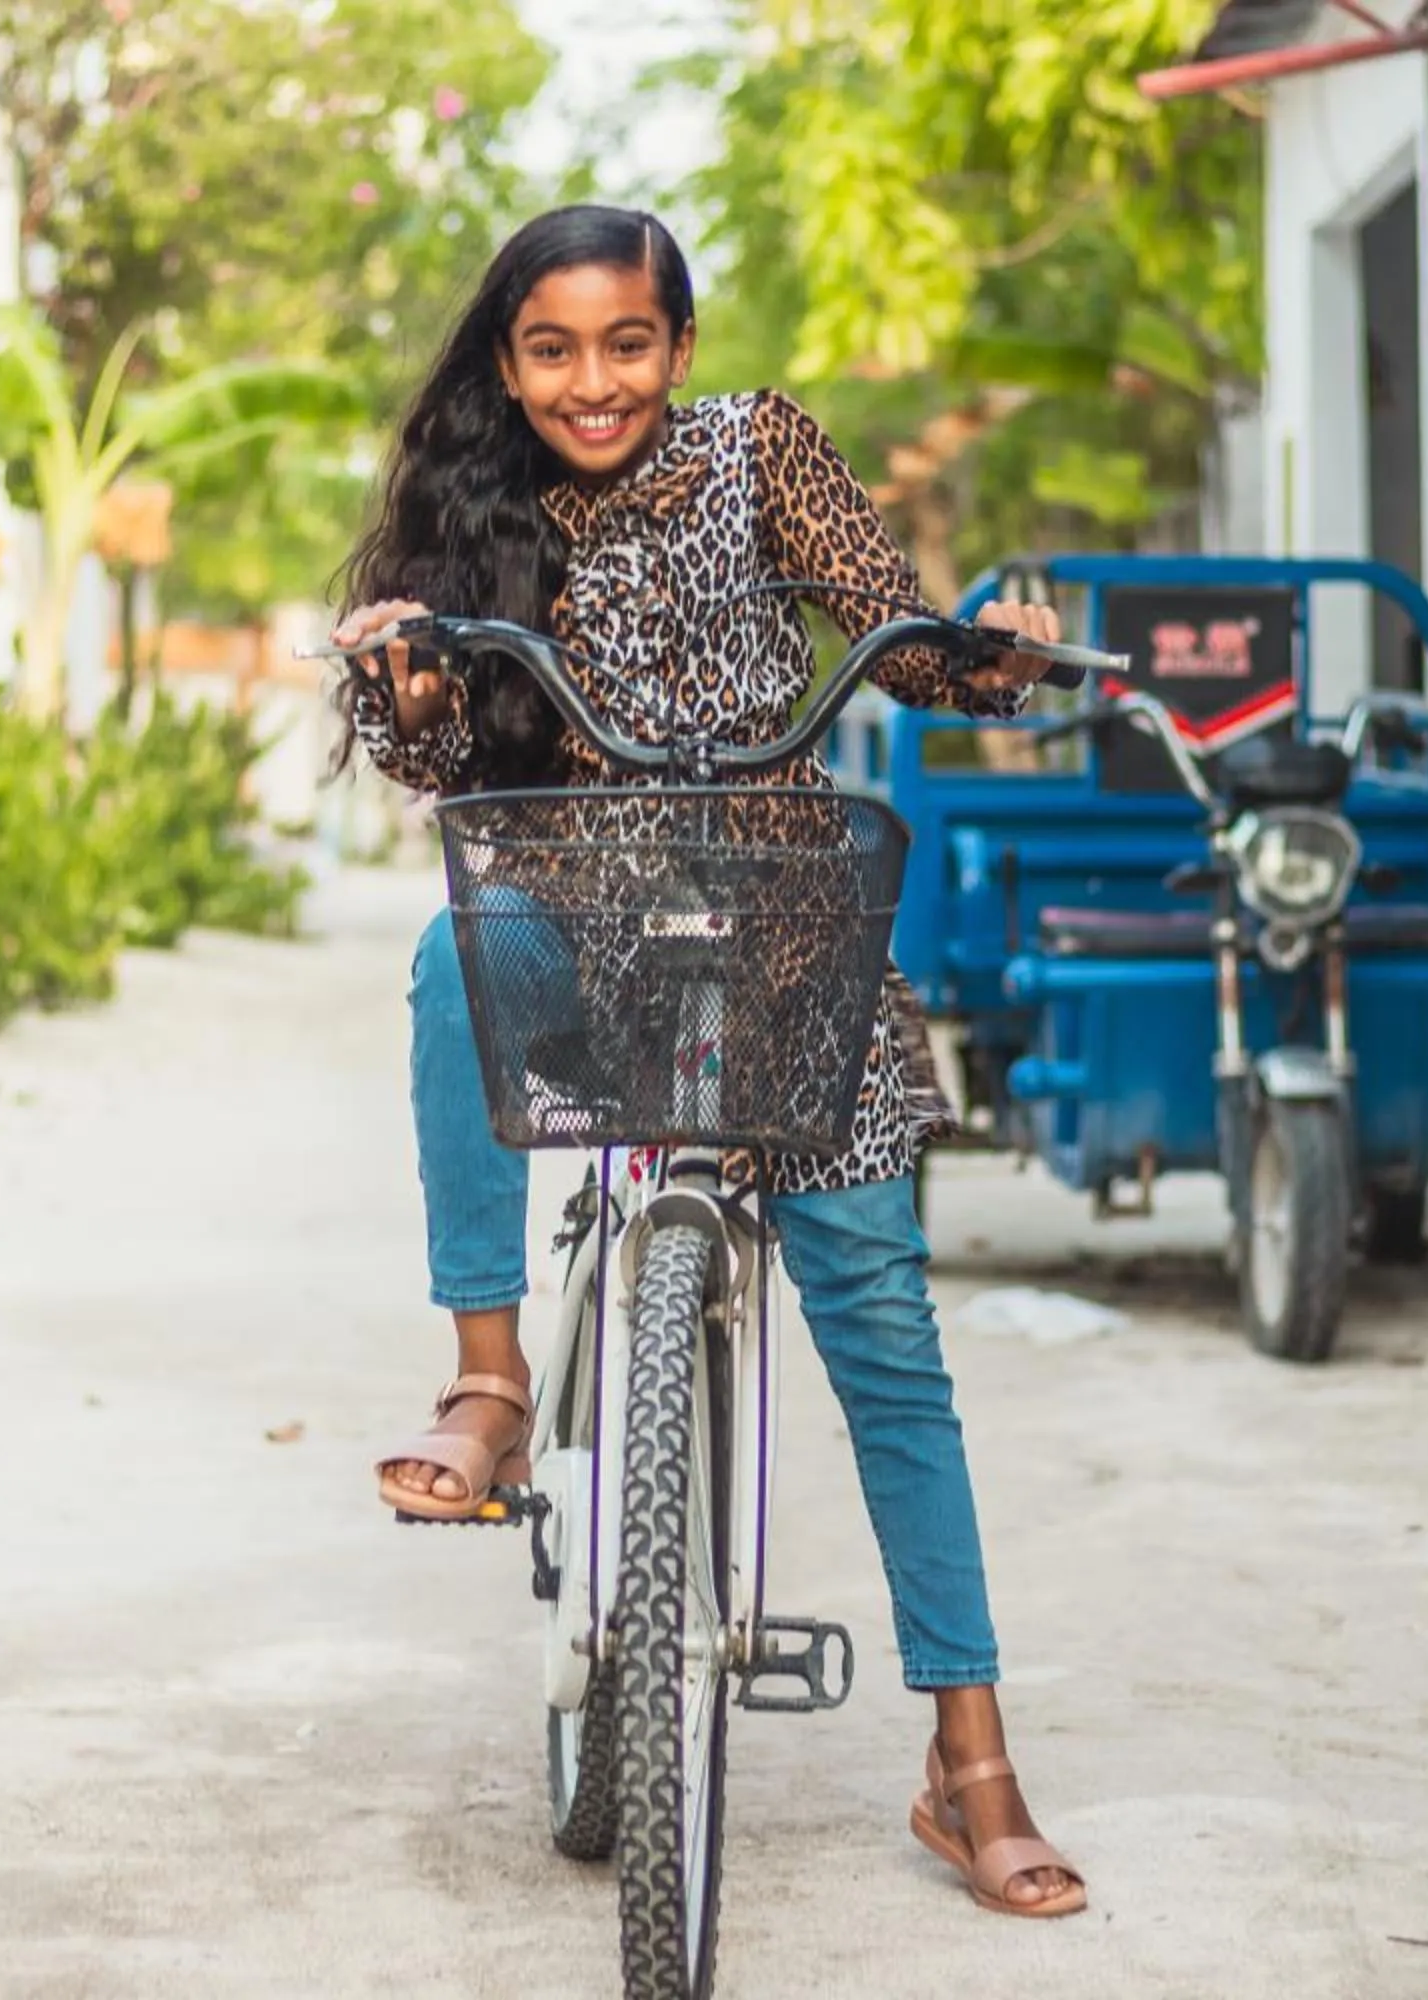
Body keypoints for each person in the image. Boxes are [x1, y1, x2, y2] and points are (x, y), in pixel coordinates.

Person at [330, 204, 1084, 1919]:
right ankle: (493, 1383)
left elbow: (903, 634)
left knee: (888, 1336)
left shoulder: (762, 454)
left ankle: (971, 1767)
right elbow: (415, 745)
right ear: (508, 361)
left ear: (677, 345)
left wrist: (999, 649)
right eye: (550, 349)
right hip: (580, 950)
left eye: (625, 344)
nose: (590, 382)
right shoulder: (478, 518)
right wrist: (408, 677)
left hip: (792, 950)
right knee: (457, 948)